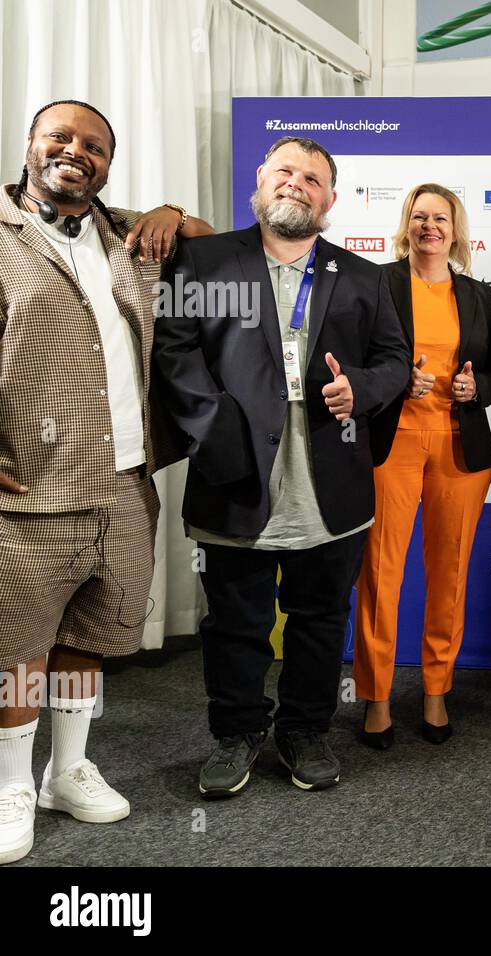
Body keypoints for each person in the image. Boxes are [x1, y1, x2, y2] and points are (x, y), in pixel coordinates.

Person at [153, 136, 408, 797]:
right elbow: (176, 355)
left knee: (320, 620)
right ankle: (236, 734)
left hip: (332, 488)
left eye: (314, 178)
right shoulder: (205, 262)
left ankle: (304, 730)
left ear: (330, 199)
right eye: (286, 172)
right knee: (235, 624)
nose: (298, 184)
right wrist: (218, 436)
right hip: (234, 478)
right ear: (260, 182)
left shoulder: (362, 276)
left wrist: (361, 387)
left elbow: (394, 364)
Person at [0, 99, 213, 865]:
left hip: (125, 481)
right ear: (29, 145)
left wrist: (173, 209)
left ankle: (67, 770)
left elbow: (224, 250)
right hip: (31, 485)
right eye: (59, 137)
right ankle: (9, 785)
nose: (74, 151)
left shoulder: (126, 234)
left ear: (107, 164)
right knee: (16, 646)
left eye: (93, 145)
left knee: (88, 636)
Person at [352, 184, 491, 749]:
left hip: (459, 448)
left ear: (456, 229)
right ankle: (375, 697)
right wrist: (393, 381)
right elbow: (356, 356)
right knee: (382, 572)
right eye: (419, 217)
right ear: (406, 225)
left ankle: (437, 690)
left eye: (440, 218)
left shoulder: (478, 294)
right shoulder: (378, 283)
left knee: (450, 573)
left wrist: (478, 386)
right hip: (392, 443)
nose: (429, 227)